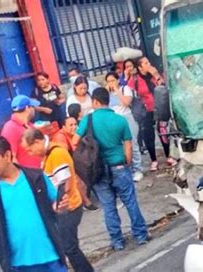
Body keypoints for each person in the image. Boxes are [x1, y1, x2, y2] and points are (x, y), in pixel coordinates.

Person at [0, 136, 69, 271]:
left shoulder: (36, 177)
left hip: (51, 257)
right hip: (17, 265)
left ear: (7, 156)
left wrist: (61, 207)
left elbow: (55, 205)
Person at [73, 88, 148, 250]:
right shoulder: (120, 120)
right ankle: (141, 235)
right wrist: (127, 163)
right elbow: (128, 147)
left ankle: (117, 241)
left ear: (95, 102)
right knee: (130, 202)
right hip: (119, 166)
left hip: (98, 170)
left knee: (108, 206)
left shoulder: (88, 119)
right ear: (108, 100)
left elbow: (74, 141)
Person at [21, 129, 94, 272]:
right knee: (68, 246)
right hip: (64, 207)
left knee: (70, 248)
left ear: (37, 142)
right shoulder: (49, 154)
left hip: (68, 207)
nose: (30, 154)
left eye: (30, 150)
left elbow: (63, 185)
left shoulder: (56, 154)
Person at [128, 57, 177, 171]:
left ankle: (169, 156)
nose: (149, 64)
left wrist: (156, 75)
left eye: (148, 62)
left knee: (163, 132)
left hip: (159, 107)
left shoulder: (154, 76)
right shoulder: (135, 79)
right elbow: (131, 92)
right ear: (140, 67)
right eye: (145, 63)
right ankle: (154, 160)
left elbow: (163, 86)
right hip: (145, 110)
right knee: (148, 135)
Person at [52, 116, 98, 211]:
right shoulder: (60, 137)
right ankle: (86, 202)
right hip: (63, 166)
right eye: (70, 125)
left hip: (73, 162)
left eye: (75, 124)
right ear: (63, 127)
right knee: (77, 179)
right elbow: (63, 158)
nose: (74, 127)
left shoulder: (74, 134)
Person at [105, 72, 143, 182]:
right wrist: (107, 92)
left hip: (126, 118)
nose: (111, 83)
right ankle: (128, 169)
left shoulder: (124, 89)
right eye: (108, 81)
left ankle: (137, 168)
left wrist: (117, 91)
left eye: (113, 80)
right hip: (114, 120)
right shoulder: (107, 94)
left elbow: (126, 102)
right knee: (121, 145)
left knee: (132, 143)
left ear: (117, 80)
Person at [0, 95, 42, 168]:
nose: (34, 109)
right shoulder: (10, 128)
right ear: (27, 108)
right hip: (29, 176)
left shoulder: (30, 125)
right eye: (33, 107)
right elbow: (11, 158)